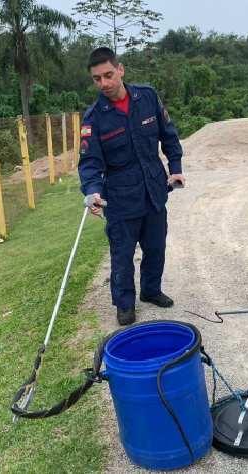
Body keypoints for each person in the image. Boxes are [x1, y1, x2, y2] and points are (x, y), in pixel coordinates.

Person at [78, 47, 185, 326]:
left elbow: (169, 136)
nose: (104, 83)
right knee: (122, 254)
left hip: (154, 188)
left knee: (155, 246)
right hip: (120, 194)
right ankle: (125, 303)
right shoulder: (94, 118)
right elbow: (89, 164)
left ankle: (151, 291)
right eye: (97, 79)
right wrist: (92, 191)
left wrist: (176, 169)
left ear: (121, 69)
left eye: (109, 75)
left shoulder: (147, 96)